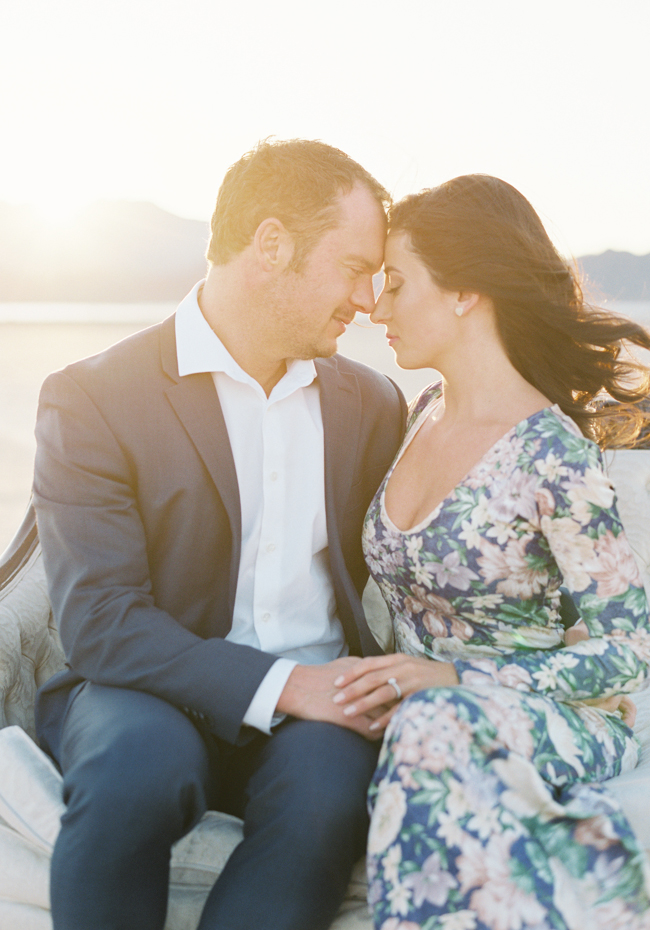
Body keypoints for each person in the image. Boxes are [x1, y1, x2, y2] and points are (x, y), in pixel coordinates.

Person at [32, 139, 407, 930]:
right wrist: (284, 686)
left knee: (329, 796)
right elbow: (100, 622)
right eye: (353, 267)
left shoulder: (372, 404)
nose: (368, 300)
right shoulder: (92, 398)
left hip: (320, 711)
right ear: (272, 244)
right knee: (136, 772)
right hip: (142, 692)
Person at [332, 175, 650, 929]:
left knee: (435, 723)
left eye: (396, 284)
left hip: (551, 718)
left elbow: (629, 652)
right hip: (422, 711)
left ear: (465, 293)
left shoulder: (551, 454)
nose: (376, 307)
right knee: (416, 725)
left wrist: (454, 676)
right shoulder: (419, 415)